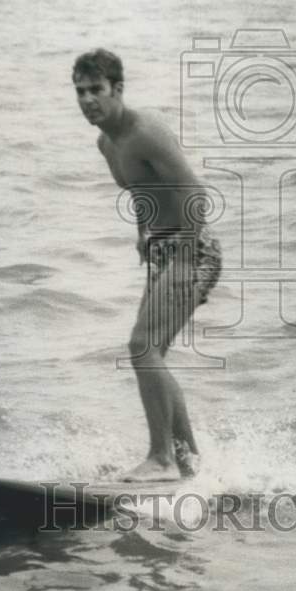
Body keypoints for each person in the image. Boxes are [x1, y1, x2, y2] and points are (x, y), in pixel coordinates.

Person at [73, 48, 222, 481]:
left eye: (96, 90)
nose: (87, 100)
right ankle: (187, 460)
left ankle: (161, 459)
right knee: (151, 352)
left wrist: (183, 254)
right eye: (80, 92)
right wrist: (143, 233)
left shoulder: (145, 131)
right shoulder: (106, 142)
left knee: (142, 348)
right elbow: (142, 189)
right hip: (163, 249)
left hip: (193, 249)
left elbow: (195, 194)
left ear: (117, 90)